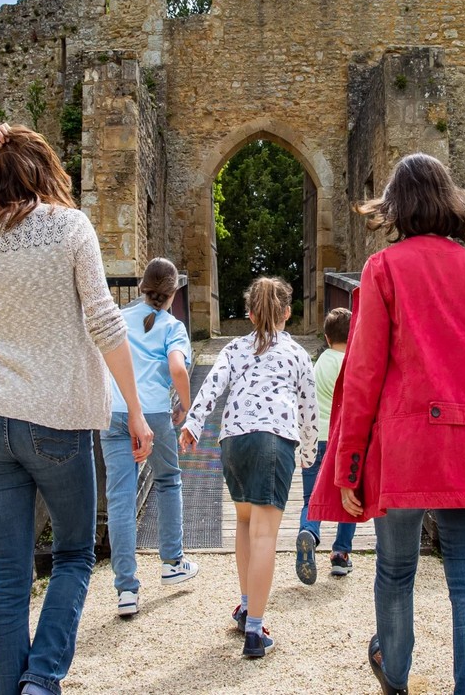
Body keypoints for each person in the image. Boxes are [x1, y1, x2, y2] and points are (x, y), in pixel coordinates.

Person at [308, 152, 465, 695]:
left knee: (395, 570)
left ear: (397, 208)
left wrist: (348, 463)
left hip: (405, 447)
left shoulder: (384, 269)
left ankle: (396, 676)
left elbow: (362, 377)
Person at [0, 123, 154, 695]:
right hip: (56, 423)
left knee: (9, 574)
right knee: (74, 555)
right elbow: (104, 319)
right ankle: (42, 679)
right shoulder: (70, 228)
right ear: (46, 170)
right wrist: (134, 413)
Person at [179, 277, 318, 659]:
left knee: (243, 522)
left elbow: (212, 386)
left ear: (251, 313)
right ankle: (255, 632)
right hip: (273, 440)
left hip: (233, 441)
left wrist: (193, 425)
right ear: (288, 313)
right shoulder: (297, 355)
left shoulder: (235, 348)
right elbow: (308, 409)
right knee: (265, 536)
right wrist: (308, 453)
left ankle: (245, 606)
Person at [101, 257, 200, 618]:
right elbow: (177, 367)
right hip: (154, 413)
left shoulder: (119, 317)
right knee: (168, 481)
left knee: (120, 498)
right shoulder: (172, 326)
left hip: (113, 411)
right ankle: (172, 562)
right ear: (173, 292)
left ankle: (126, 589)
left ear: (142, 287)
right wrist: (186, 406)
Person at [295, 306, 357, 584]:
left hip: (315, 440)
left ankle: (308, 531)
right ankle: (341, 554)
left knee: (312, 498)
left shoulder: (318, 364)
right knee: (352, 501)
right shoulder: (354, 365)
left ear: (326, 337)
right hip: (343, 441)